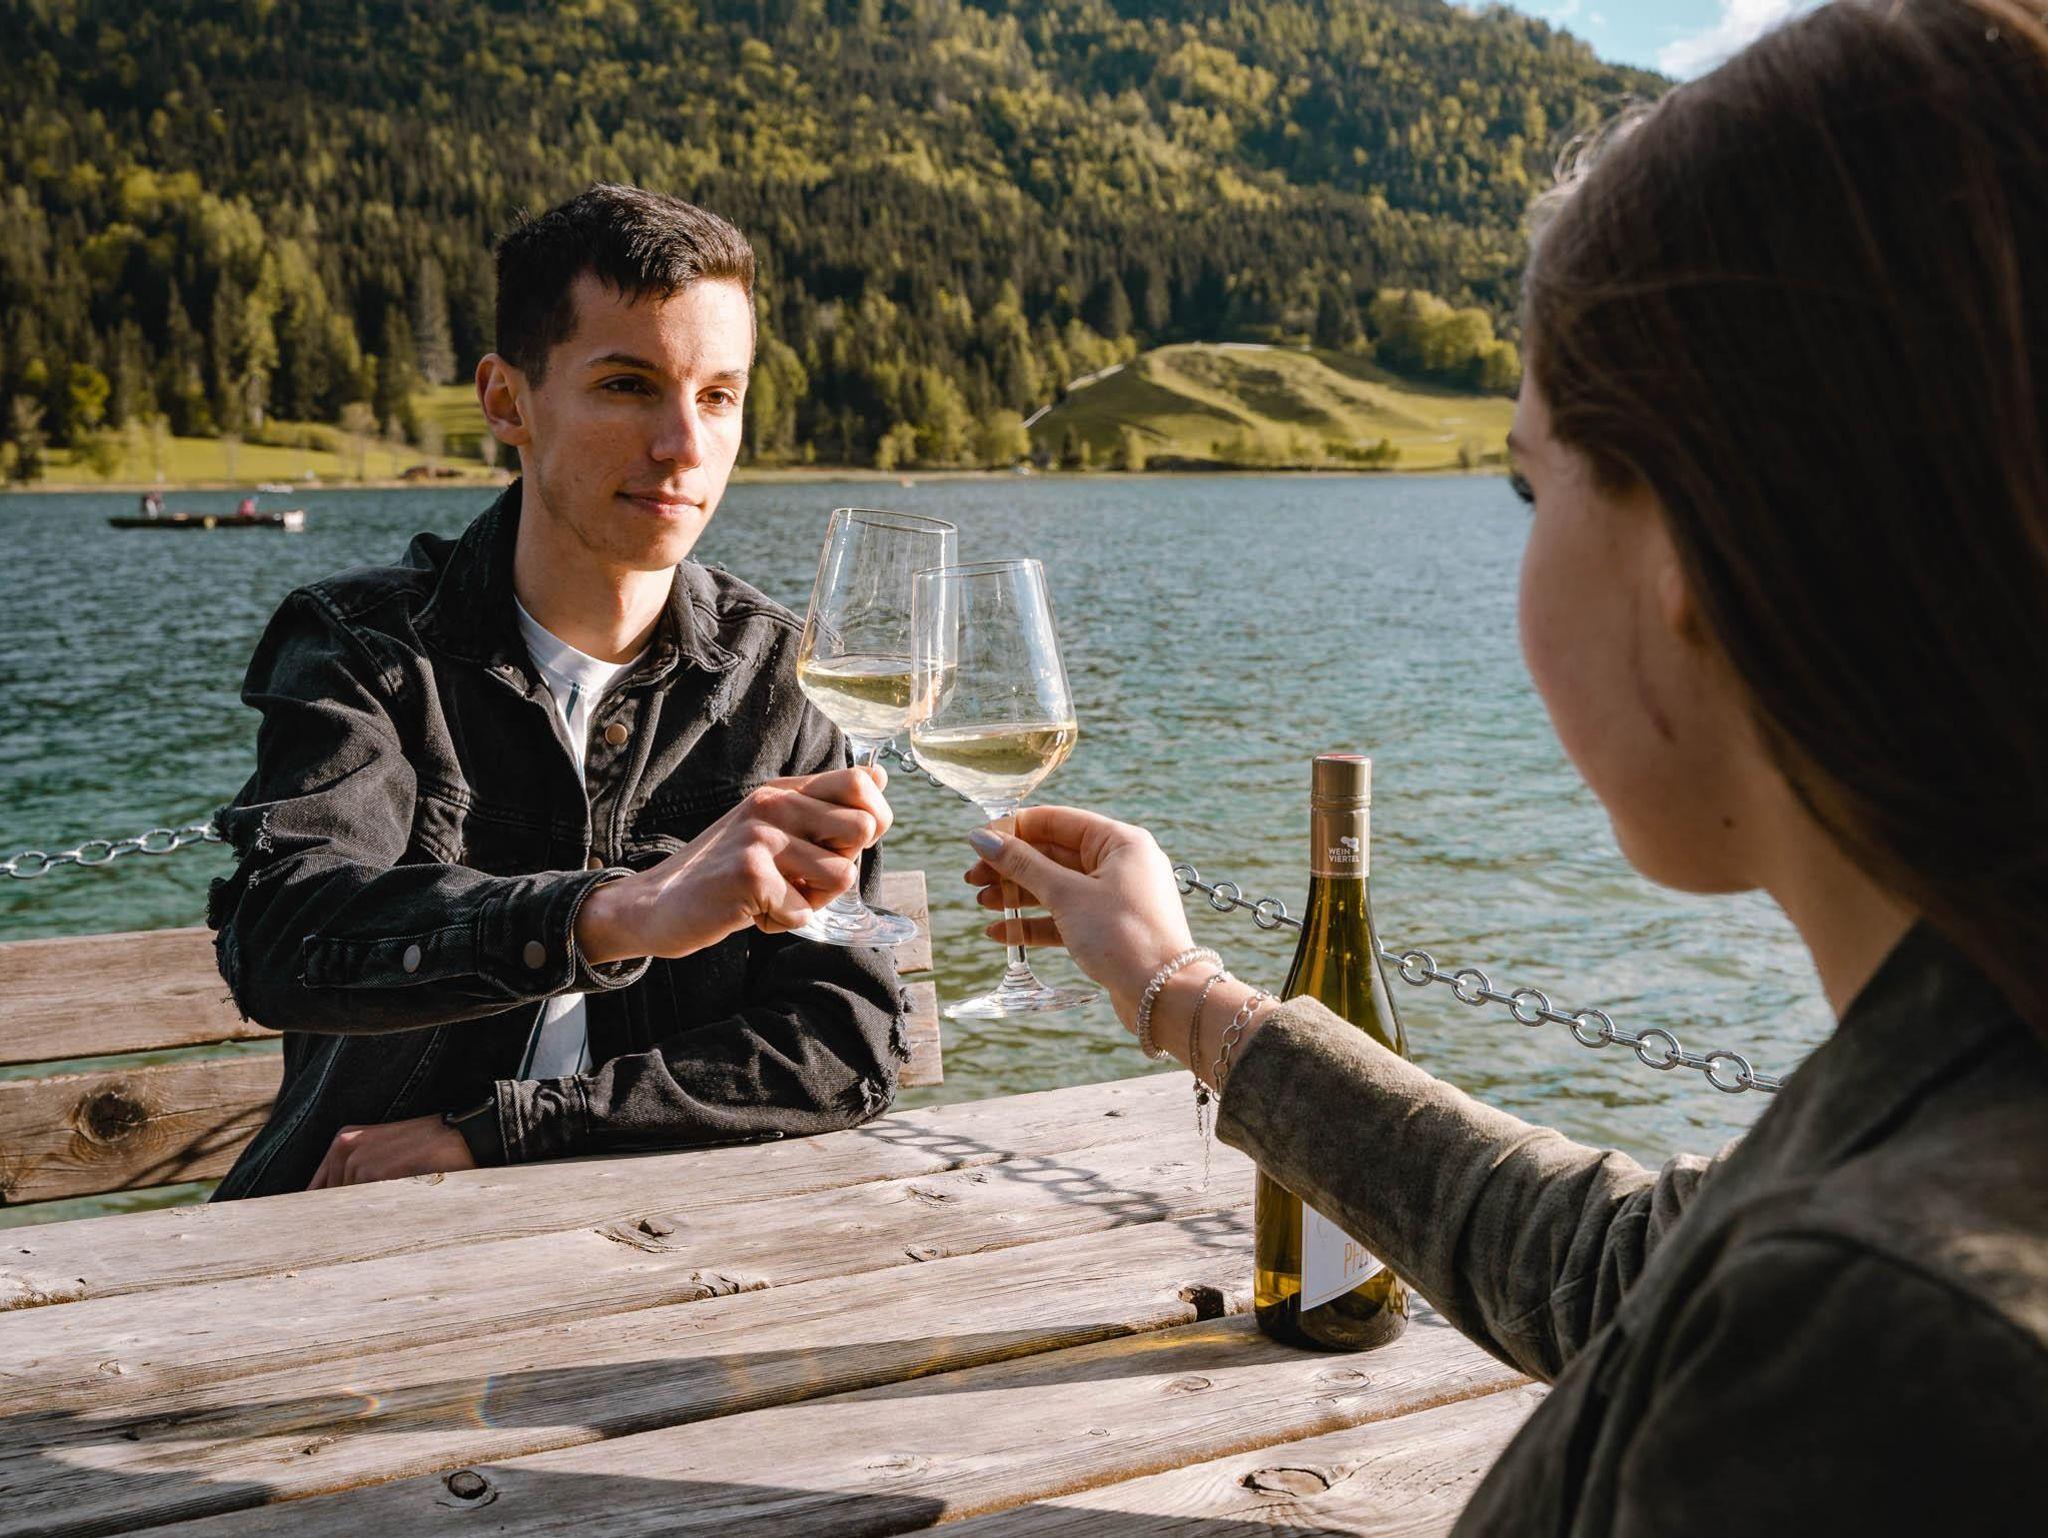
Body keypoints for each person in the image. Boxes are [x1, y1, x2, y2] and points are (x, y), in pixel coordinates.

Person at [963, 3, 2048, 1531]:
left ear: (1689, 544)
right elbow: (1625, 1271)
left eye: (1535, 490)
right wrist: (1173, 984)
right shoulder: (1963, 1045)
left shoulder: (1885, 1342)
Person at [206, 184, 907, 1200]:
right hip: (350, 1224)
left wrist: (503, 1132)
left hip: (672, 1237)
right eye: (628, 385)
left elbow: (843, 1044)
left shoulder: (780, 676)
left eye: (718, 396)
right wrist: (613, 915)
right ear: (507, 402)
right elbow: (282, 939)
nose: (683, 445)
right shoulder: (363, 646)